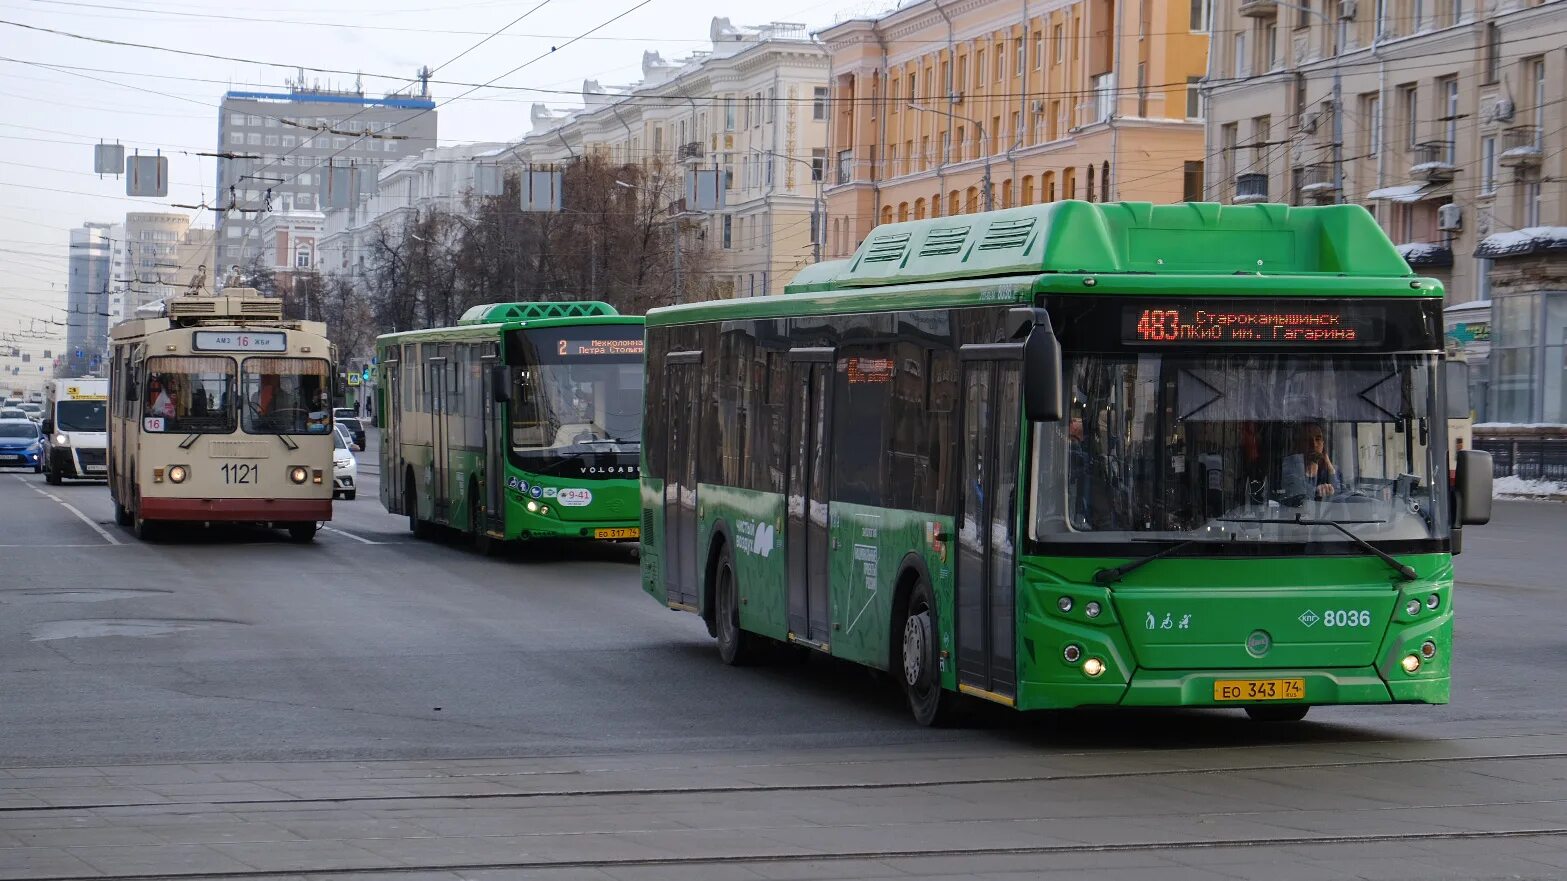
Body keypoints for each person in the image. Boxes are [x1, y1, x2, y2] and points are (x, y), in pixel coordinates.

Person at [1282, 422, 1341, 501]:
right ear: (1300, 444)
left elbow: (1340, 499)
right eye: (1307, 440)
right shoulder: (1290, 466)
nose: (1314, 444)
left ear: (1323, 443)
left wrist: (1331, 470)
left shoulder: (1330, 471)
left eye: (1318, 439)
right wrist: (1316, 491)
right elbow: (1297, 493)